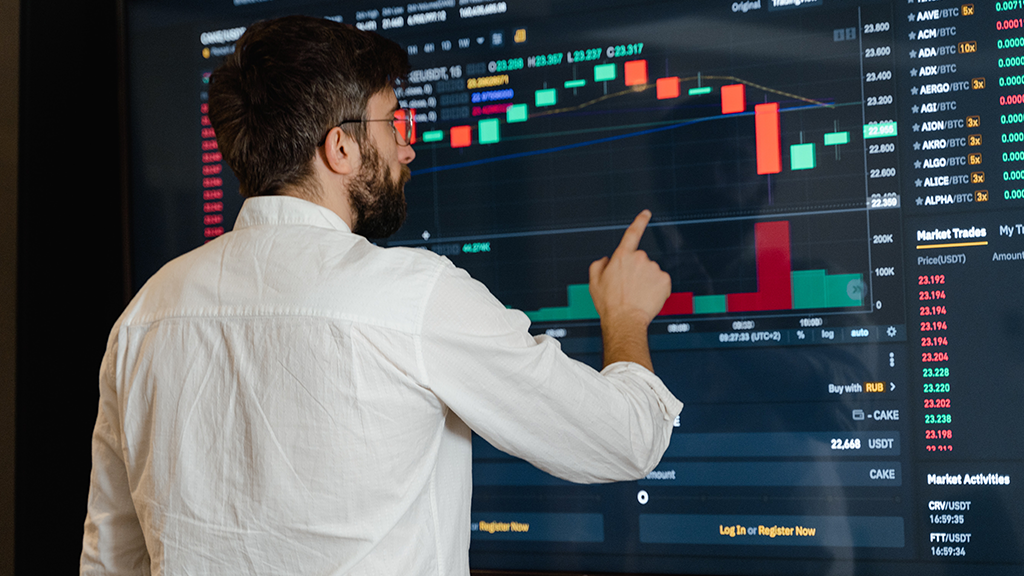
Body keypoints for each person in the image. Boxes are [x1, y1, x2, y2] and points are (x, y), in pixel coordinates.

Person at [80, 15, 682, 576]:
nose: (406, 148)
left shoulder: (144, 315)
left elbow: (110, 560)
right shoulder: (413, 297)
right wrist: (626, 316)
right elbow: (626, 441)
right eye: (394, 122)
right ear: (339, 147)